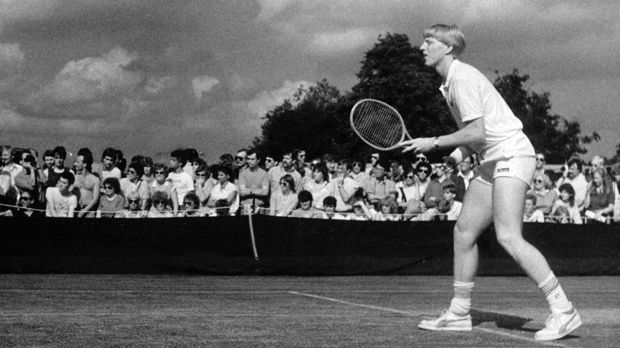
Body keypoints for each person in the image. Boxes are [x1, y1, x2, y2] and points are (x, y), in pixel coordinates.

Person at [401, 24, 580, 340]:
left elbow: (477, 132)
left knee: (508, 236)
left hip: (511, 155)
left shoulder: (463, 78)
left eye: (428, 41)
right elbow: (474, 137)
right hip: (490, 160)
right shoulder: (449, 85)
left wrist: (433, 141)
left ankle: (563, 310)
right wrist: (456, 157)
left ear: (449, 48)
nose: (421, 47)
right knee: (464, 231)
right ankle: (459, 312)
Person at [72, 148, 101, 218]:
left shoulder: (95, 179)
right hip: (76, 211)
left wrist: (83, 211)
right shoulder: (73, 178)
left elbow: (95, 199)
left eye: (77, 162)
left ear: (84, 164)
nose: (74, 164)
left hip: (89, 213)